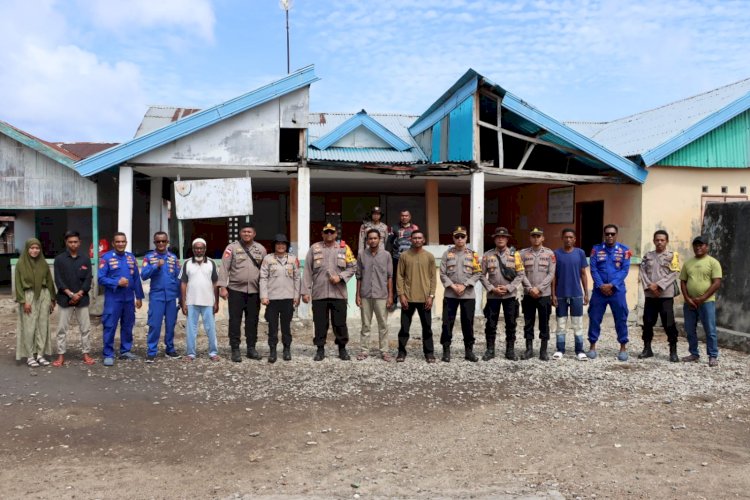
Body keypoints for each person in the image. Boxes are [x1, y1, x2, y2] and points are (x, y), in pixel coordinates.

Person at [302, 223, 357, 361]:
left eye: (331, 232)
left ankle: (342, 349)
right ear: (322, 234)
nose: (329, 235)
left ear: (336, 234)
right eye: (326, 232)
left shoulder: (344, 249)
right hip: (319, 293)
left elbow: (353, 267)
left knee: (339, 323)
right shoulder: (314, 248)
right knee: (320, 323)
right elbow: (307, 271)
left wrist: (340, 277)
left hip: (338, 294)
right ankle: (320, 349)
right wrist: (305, 292)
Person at [219, 223, 267, 363]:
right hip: (235, 291)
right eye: (244, 232)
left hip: (254, 291)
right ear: (240, 233)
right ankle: (235, 349)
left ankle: (251, 348)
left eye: (249, 232)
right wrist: (222, 286)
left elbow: (265, 270)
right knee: (235, 320)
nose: (247, 234)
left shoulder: (260, 249)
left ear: (254, 234)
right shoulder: (231, 248)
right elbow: (224, 267)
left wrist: (265, 291)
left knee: (252, 321)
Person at [98, 232, 144, 366]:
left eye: (123, 241)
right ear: (113, 243)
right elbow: (101, 278)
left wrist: (139, 296)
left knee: (128, 325)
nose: (120, 244)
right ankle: (108, 353)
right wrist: (116, 282)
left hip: (129, 298)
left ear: (126, 243)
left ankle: (125, 351)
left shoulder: (130, 257)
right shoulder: (106, 258)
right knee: (110, 325)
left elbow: (136, 278)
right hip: (113, 298)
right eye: (118, 242)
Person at [587, 224, 631, 361]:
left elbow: (624, 270)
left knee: (621, 318)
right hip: (599, 291)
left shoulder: (625, 250)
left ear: (616, 235)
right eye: (607, 234)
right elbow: (593, 269)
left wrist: (612, 285)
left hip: (617, 291)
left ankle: (623, 347)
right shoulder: (596, 250)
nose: (609, 236)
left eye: (612, 234)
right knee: (594, 317)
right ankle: (592, 346)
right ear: (604, 235)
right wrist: (601, 285)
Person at [480, 227, 525, 361]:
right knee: (490, 323)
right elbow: (481, 275)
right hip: (493, 296)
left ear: (507, 239)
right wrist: (492, 288)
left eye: (503, 237)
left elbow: (520, 274)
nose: (500, 239)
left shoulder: (515, 255)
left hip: (509, 296)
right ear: (494, 239)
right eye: (498, 237)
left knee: (511, 323)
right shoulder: (487, 255)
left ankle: (510, 351)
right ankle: (490, 350)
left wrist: (509, 287)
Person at [439, 225, 482, 362]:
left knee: (467, 323)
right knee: (447, 323)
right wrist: (452, 286)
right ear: (453, 238)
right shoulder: (447, 254)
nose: (459, 239)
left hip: (467, 294)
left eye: (462, 236)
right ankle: (446, 351)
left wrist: (464, 285)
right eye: (457, 236)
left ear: (466, 238)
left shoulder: (473, 254)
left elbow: (478, 273)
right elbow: (442, 274)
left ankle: (469, 351)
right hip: (450, 294)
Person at [52, 230, 94, 367]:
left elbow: (88, 279)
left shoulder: (85, 259)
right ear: (66, 243)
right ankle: (61, 355)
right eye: (70, 242)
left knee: (85, 328)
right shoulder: (59, 259)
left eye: (75, 242)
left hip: (82, 299)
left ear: (80, 242)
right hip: (65, 299)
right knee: (62, 329)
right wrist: (70, 294)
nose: (73, 244)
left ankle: (86, 354)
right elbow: (58, 280)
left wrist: (79, 294)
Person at [680, 235, 722, 367]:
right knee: (690, 329)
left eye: (701, 245)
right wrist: (687, 298)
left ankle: (712, 355)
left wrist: (702, 298)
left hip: (707, 302)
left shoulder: (713, 262)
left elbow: (716, 283)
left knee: (710, 329)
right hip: (690, 303)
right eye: (696, 245)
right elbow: (683, 281)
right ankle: (694, 353)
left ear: (707, 247)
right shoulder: (688, 263)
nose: (698, 247)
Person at [639, 230, 681, 362]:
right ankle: (647, 349)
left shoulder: (672, 256)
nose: (659, 242)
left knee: (669, 323)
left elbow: (673, 273)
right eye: (657, 240)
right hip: (650, 296)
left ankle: (673, 351)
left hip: (665, 296)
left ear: (667, 241)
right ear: (653, 241)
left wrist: (659, 286)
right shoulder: (648, 256)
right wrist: (650, 286)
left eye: (662, 240)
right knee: (647, 322)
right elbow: (642, 272)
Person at [396, 230, 437, 363]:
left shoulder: (430, 256)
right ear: (410, 240)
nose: (417, 240)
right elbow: (400, 276)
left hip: (425, 299)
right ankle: (401, 352)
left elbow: (433, 278)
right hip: (407, 298)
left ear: (423, 240)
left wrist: (431, 296)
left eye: (420, 238)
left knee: (427, 328)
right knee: (404, 328)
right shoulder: (404, 256)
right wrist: (401, 295)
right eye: (414, 238)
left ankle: (429, 353)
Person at [141, 231, 182, 363]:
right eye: (158, 241)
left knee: (171, 324)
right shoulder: (149, 257)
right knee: (154, 324)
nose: (161, 244)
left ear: (167, 242)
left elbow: (178, 278)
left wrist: (181, 298)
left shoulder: (173, 258)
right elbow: (144, 275)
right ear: (154, 243)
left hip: (171, 297)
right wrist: (155, 266)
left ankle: (170, 349)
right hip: (157, 296)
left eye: (163, 241)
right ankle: (151, 351)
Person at [259, 233, 300, 363]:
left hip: (288, 298)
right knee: (272, 326)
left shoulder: (293, 259)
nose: (281, 246)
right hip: (272, 299)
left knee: (286, 326)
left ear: (286, 246)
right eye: (278, 244)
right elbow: (263, 278)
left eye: (283, 244)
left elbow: (297, 278)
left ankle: (287, 349)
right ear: (274, 246)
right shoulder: (268, 259)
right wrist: (264, 296)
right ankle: (272, 351)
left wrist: (296, 295)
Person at [15, 238, 56, 367]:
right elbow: (18, 284)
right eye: (32, 248)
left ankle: (40, 354)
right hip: (28, 296)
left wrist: (52, 299)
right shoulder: (21, 264)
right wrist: (23, 301)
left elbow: (49, 281)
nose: (35, 250)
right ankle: (29, 355)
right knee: (29, 326)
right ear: (27, 249)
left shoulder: (43, 263)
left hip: (44, 295)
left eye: (37, 248)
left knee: (43, 325)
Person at [355, 228, 393, 361]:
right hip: (365, 294)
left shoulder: (386, 255)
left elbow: (389, 277)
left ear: (380, 239)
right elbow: (358, 276)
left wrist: (390, 296)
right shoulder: (361, 254)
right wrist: (357, 295)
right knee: (365, 324)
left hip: (381, 295)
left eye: (375, 238)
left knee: (383, 324)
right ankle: (364, 350)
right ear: (367, 240)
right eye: (370, 238)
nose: (372, 240)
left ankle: (384, 351)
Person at [179, 238, 220, 362]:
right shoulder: (187, 263)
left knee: (211, 328)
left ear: (205, 249)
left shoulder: (211, 263)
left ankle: (213, 353)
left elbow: (215, 283)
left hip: (208, 301)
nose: (199, 250)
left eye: (201, 248)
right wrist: (183, 302)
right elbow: (183, 284)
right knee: (191, 329)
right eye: (196, 248)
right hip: (191, 302)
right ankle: (190, 354)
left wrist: (216, 301)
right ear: (193, 249)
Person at [551, 228, 589, 361]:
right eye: (566, 237)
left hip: (576, 294)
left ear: (574, 239)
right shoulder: (556, 254)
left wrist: (586, 293)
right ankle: (560, 349)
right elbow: (553, 276)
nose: (568, 239)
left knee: (577, 324)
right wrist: (553, 294)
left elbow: (583, 274)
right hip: (561, 294)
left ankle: (579, 350)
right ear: (562, 238)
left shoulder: (580, 253)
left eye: (570, 237)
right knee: (561, 324)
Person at [519, 228, 556, 361]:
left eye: (538, 236)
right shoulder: (523, 254)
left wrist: (539, 289)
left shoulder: (549, 253)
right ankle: (529, 349)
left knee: (544, 323)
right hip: (528, 295)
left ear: (542, 238)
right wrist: (530, 288)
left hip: (544, 295)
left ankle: (543, 350)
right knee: (528, 322)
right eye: (533, 236)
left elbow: (551, 274)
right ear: (530, 238)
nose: (536, 238)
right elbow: (521, 273)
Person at [387, 210, 419, 308]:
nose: (404, 217)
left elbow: (418, 241)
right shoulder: (394, 228)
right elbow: (389, 242)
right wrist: (388, 256)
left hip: (411, 258)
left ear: (410, 217)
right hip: (397, 258)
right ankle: (395, 301)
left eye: (406, 216)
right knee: (397, 278)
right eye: (402, 216)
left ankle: (410, 299)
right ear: (400, 217)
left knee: (410, 278)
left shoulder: (415, 228)